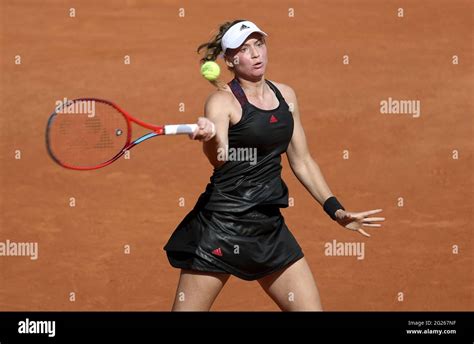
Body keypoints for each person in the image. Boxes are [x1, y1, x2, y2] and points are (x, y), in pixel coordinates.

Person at [164, 19, 385, 311]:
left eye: (259, 44)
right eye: (245, 49)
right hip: (222, 225)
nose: (256, 54)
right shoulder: (221, 102)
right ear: (230, 60)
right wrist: (210, 137)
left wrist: (336, 210)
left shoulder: (286, 96)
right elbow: (220, 158)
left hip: (268, 227)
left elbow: (302, 160)